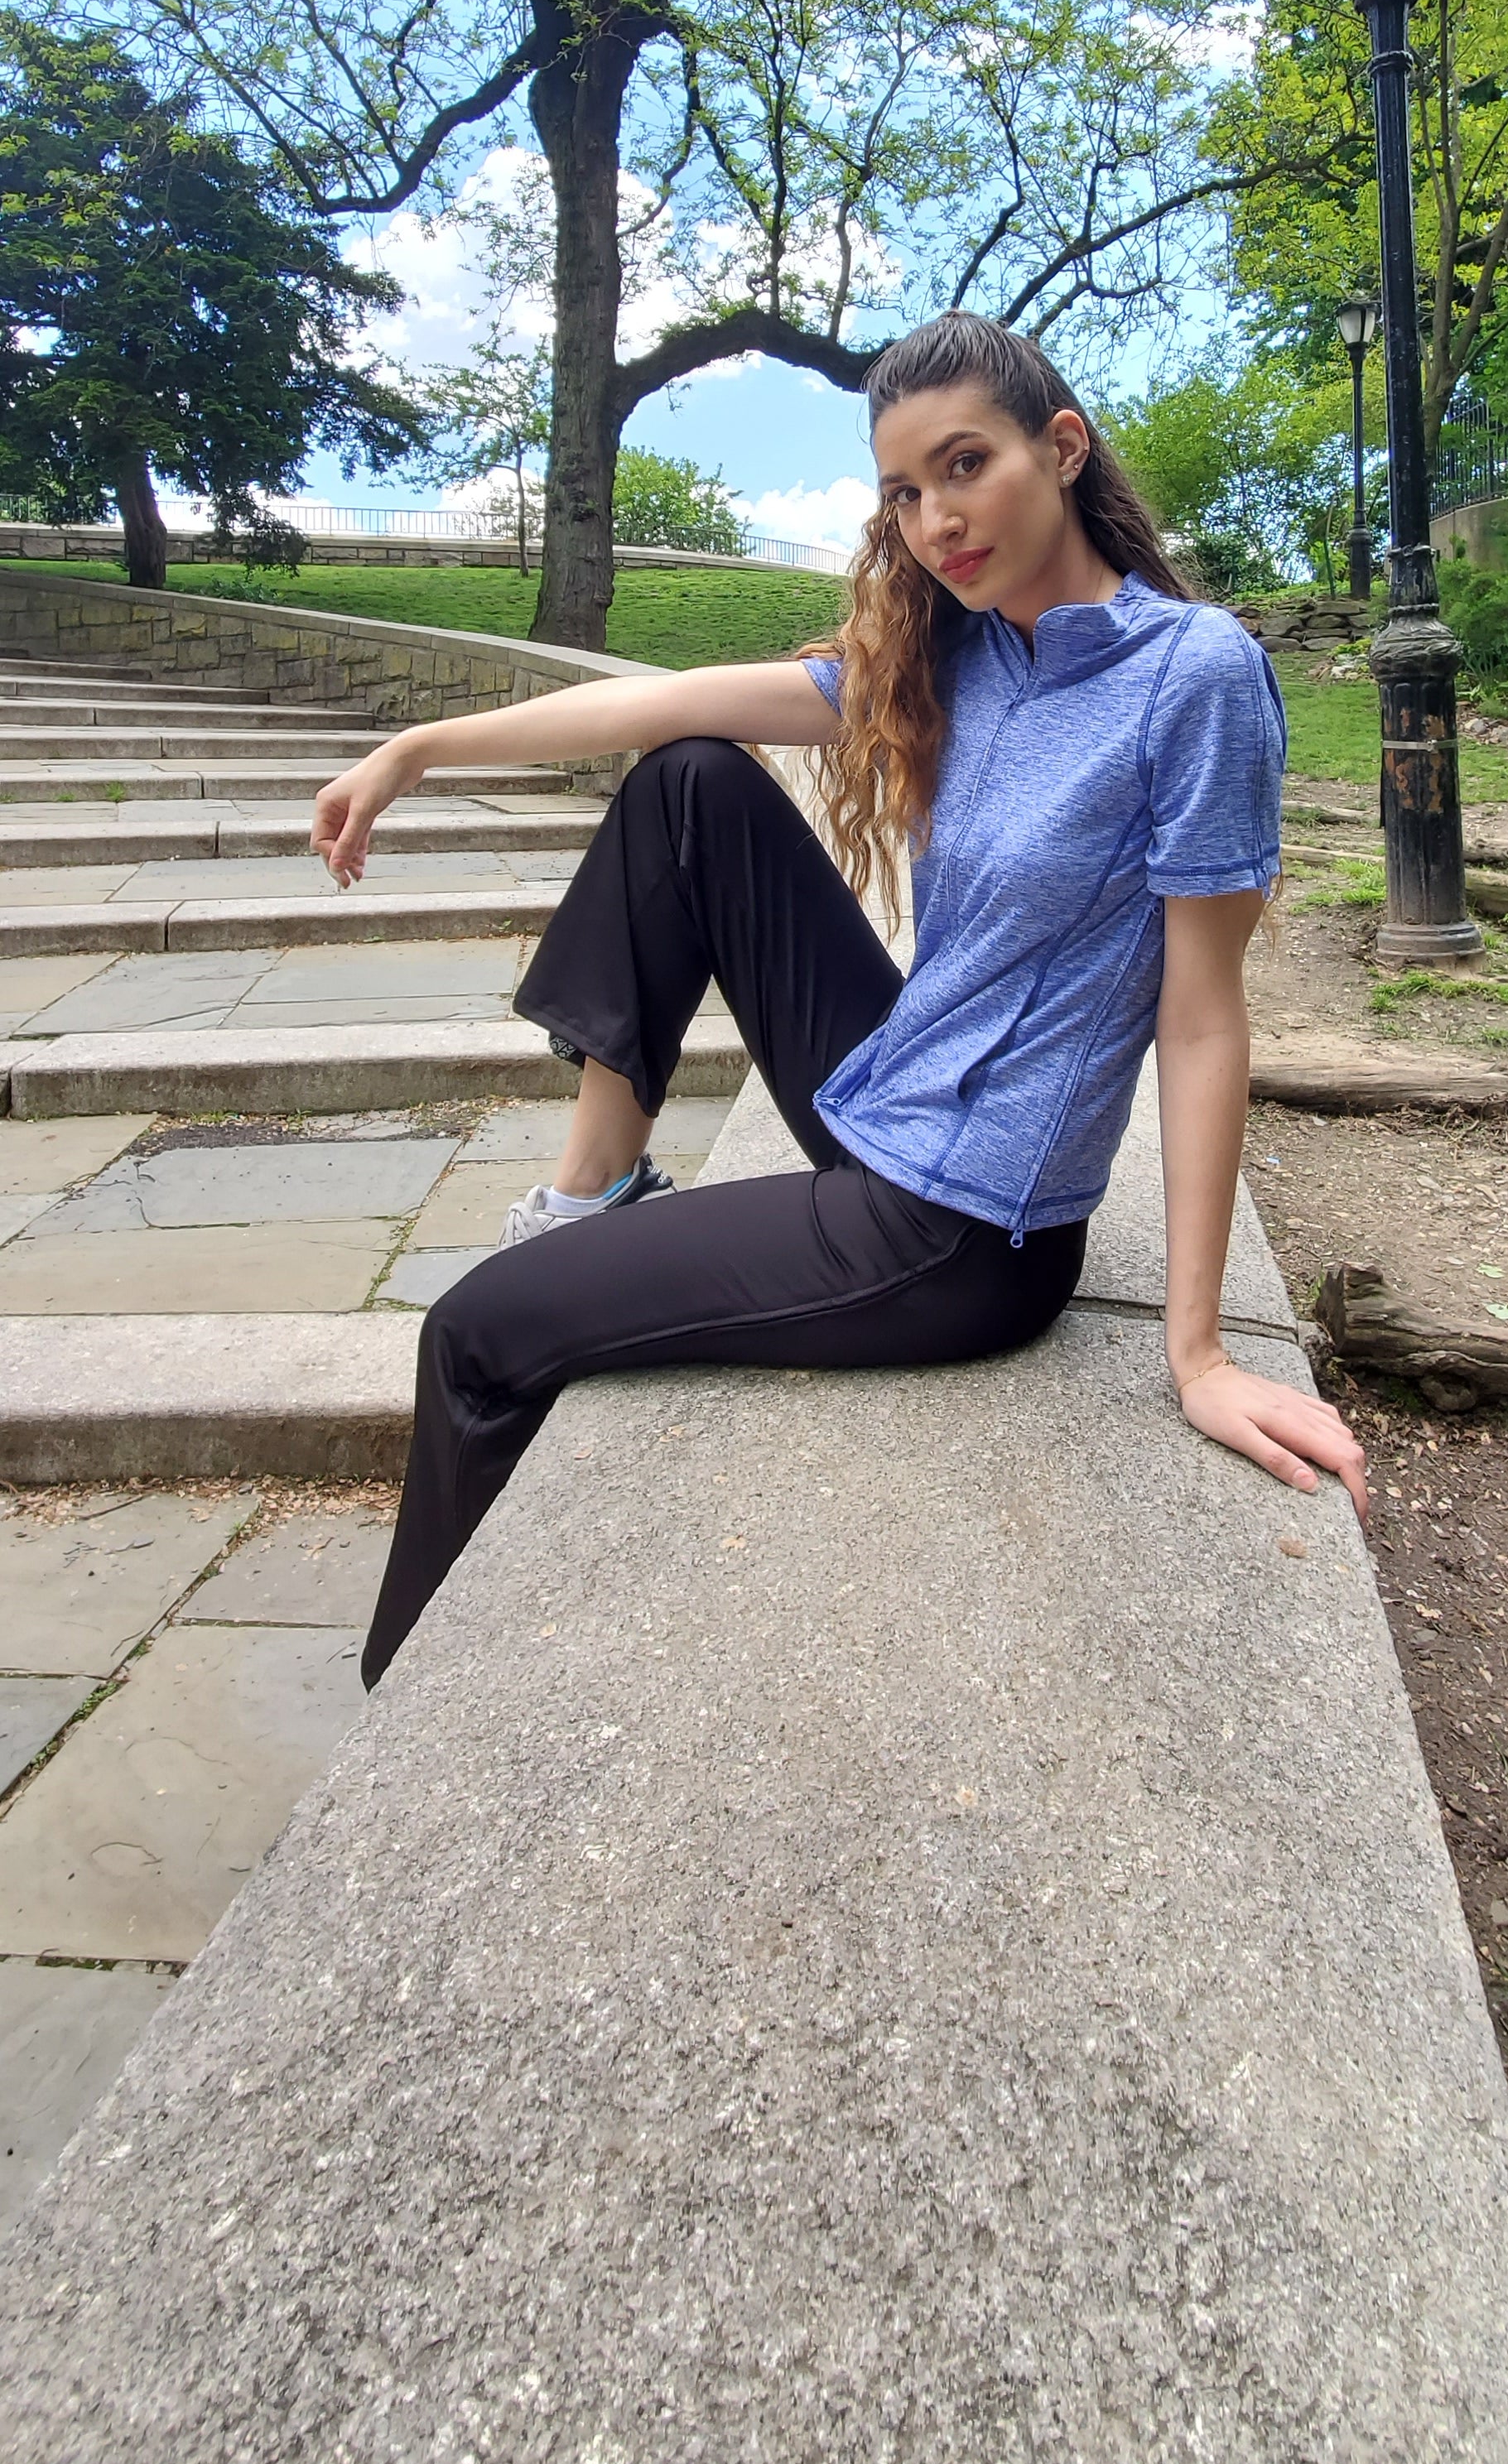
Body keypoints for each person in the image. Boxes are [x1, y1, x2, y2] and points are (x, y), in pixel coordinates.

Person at [313, 313, 1367, 1686]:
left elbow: (1203, 1015)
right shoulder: (957, 660)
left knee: (475, 1333)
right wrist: (420, 746)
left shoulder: (1196, 675)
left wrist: (1202, 1350)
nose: (937, 520)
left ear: (1062, 447)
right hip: (889, 1101)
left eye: (965, 466)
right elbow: (673, 702)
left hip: (961, 1231)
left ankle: (409, 1708)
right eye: (905, 494)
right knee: (690, 779)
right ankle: (590, 1193)